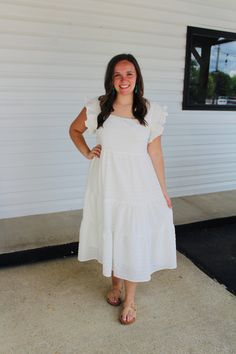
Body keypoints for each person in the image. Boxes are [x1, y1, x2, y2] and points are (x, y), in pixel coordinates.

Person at [69, 53, 177, 325]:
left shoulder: (150, 111)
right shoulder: (99, 106)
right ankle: (114, 285)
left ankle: (130, 299)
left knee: (132, 237)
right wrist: (86, 152)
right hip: (106, 184)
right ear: (111, 79)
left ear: (137, 77)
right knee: (113, 234)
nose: (124, 79)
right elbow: (74, 130)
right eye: (117, 74)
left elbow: (156, 154)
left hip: (139, 185)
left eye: (129, 74)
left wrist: (163, 191)